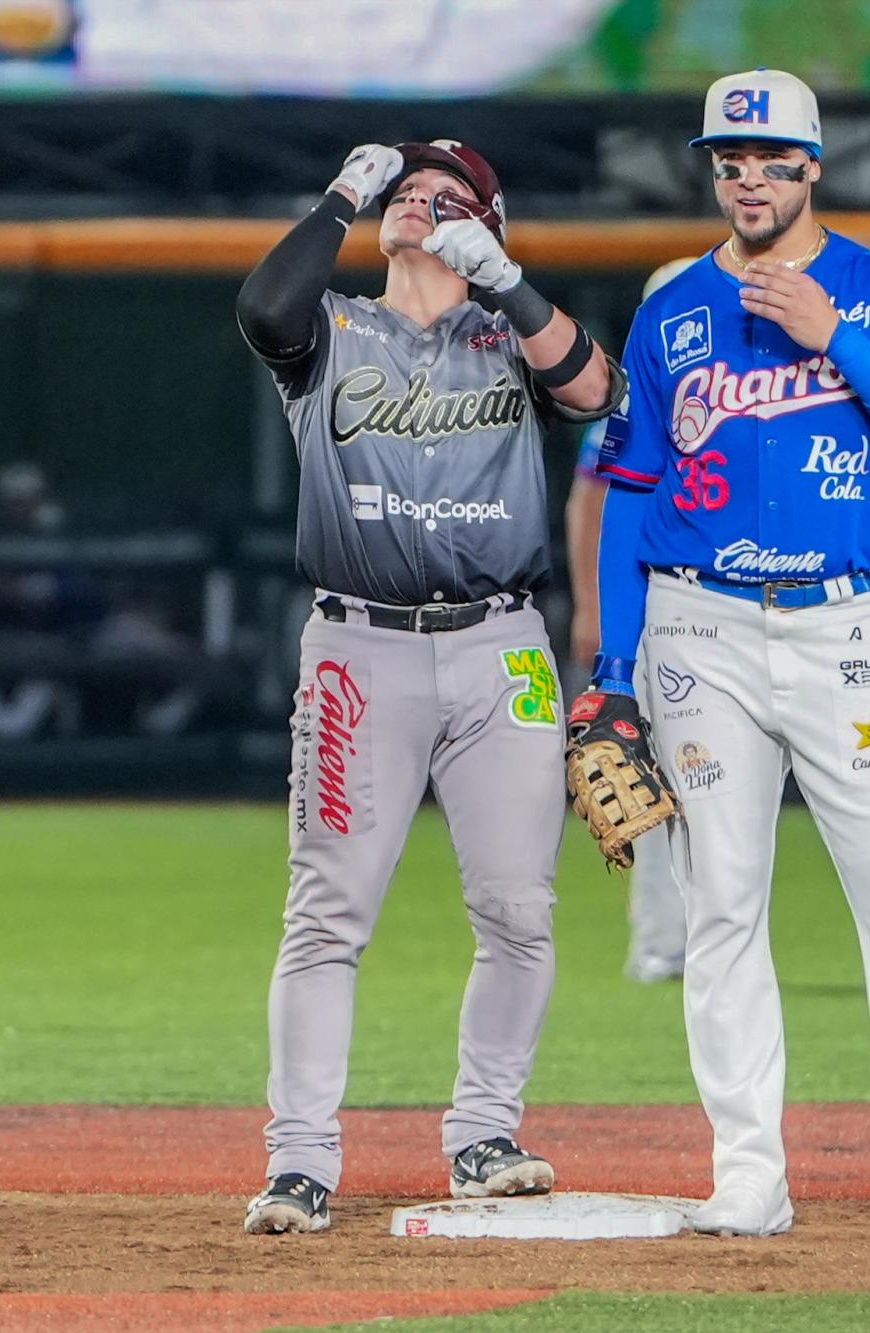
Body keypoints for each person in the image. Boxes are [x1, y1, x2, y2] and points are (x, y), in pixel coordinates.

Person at [577, 69, 870, 1238]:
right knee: (721, 903)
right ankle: (746, 1169)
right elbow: (628, 496)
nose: (748, 178)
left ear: (811, 167)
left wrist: (833, 337)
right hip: (698, 628)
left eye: (771, 159)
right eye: (728, 159)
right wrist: (612, 672)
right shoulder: (671, 309)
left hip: (842, 625)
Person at [233, 139, 623, 1234]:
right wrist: (343, 198)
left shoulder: (510, 333)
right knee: (327, 916)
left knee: (518, 909)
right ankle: (300, 1161)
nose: (422, 205)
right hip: (361, 649)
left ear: (489, 229)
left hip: (502, 647)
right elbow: (266, 308)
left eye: (450, 198)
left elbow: (595, 390)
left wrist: (499, 273)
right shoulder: (334, 328)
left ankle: (484, 1133)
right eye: (409, 194)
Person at [563, 256, 695, 984]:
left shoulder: (740, 388)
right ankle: (659, 940)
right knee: (642, 779)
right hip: (644, 611)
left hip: (713, 608)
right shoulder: (633, 396)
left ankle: (711, 937)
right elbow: (590, 502)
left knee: (712, 786)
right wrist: (591, 605)